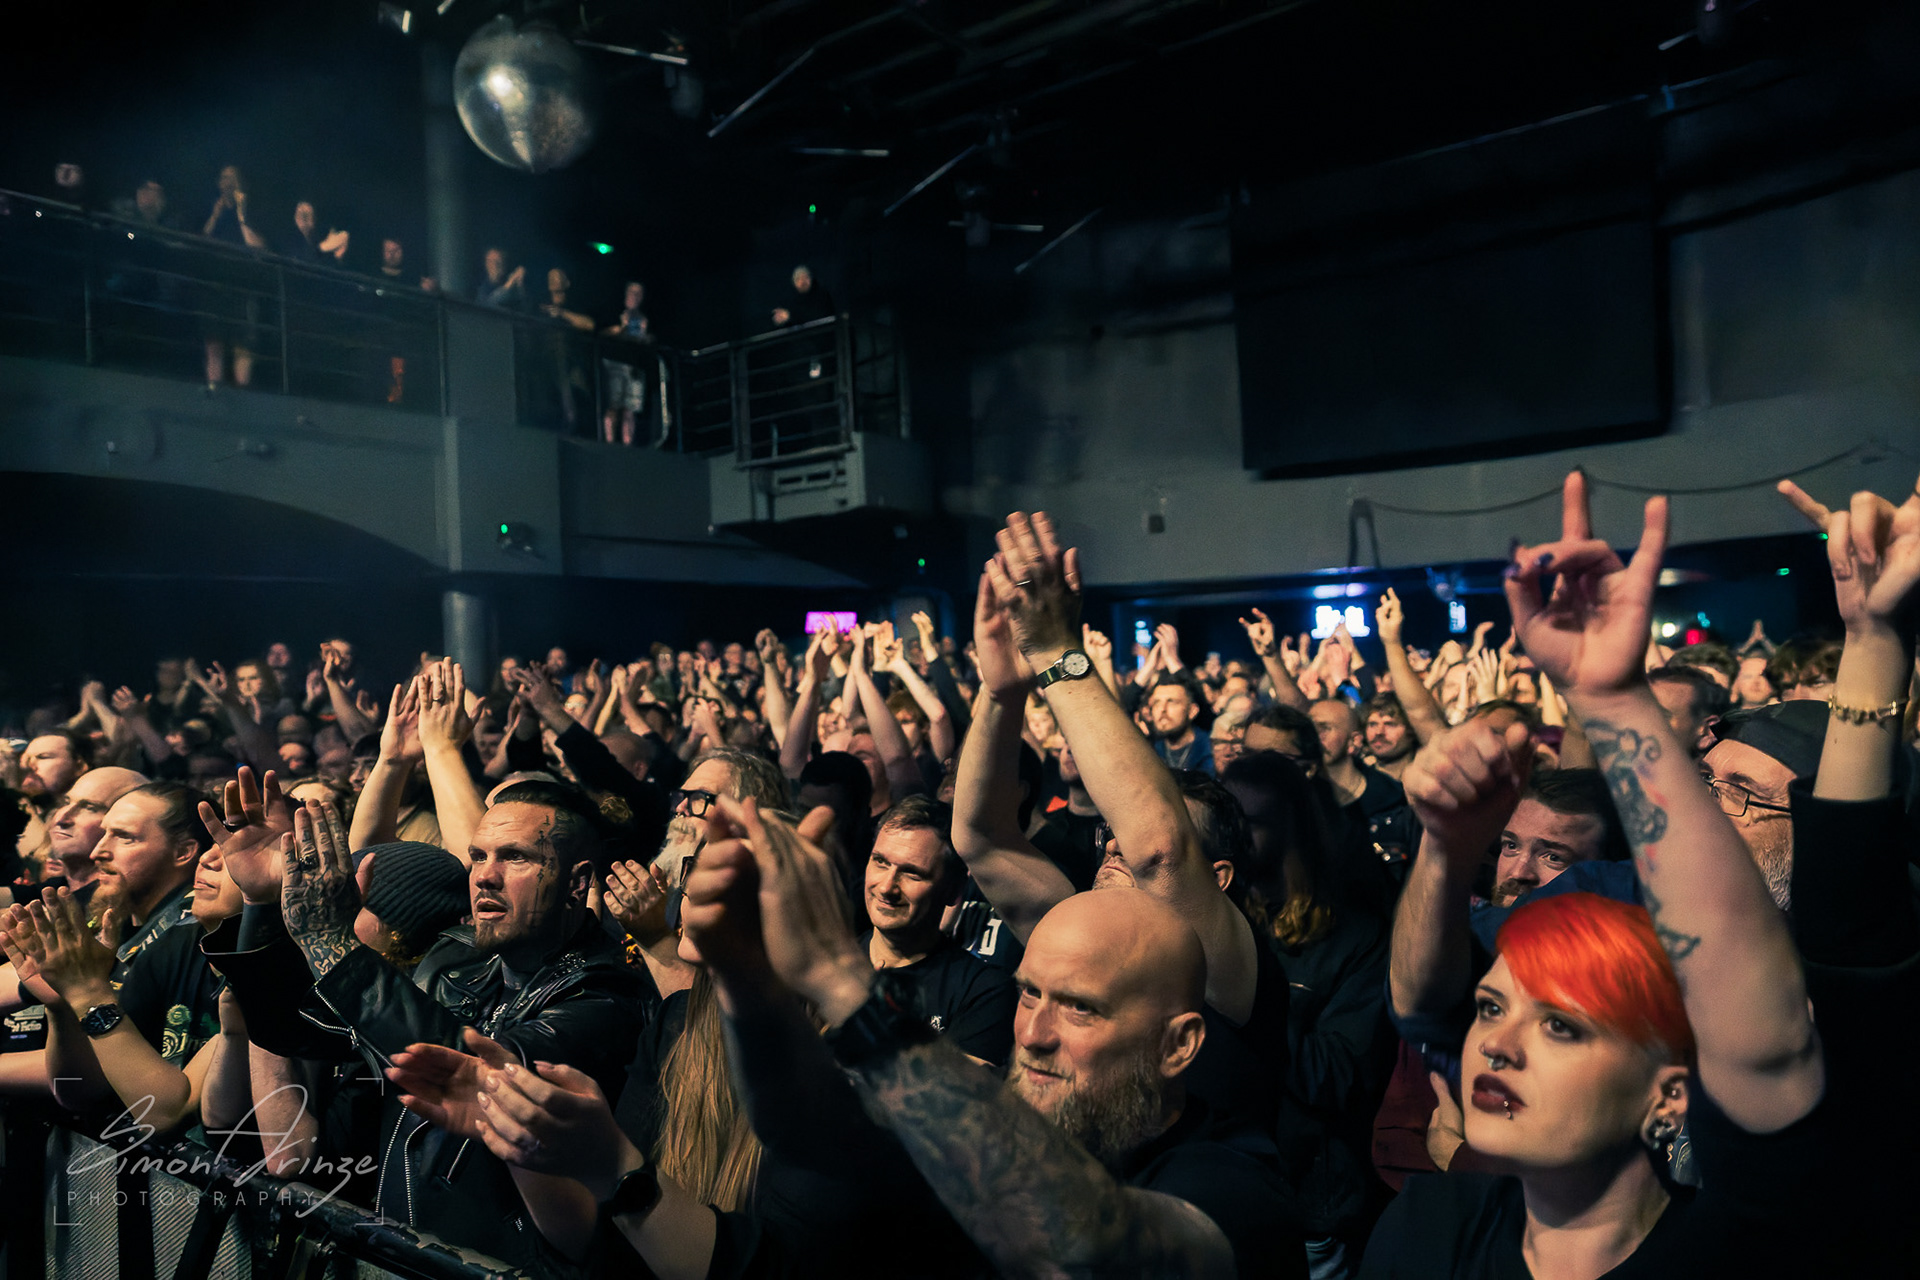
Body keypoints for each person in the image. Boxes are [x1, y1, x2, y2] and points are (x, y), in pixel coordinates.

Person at [1362, 471, 1827, 1277]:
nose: (1496, 1048)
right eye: (1494, 1010)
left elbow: (1769, 1055)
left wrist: (1610, 700)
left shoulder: (1731, 1247)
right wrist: (1446, 849)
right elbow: (1423, 1005)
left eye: (1563, 1025)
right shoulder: (1428, 1229)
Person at [217, 781, 645, 1271]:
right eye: (478, 856)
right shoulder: (453, 965)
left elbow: (473, 1077)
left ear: (576, 880)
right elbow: (296, 1031)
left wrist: (331, 940)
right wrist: (261, 905)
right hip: (399, 1258)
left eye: (515, 857)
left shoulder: (606, 995)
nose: (485, 876)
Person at [860, 796, 1017, 1066]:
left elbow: (954, 1102)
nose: (886, 887)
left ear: (953, 890)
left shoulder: (982, 991)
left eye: (912, 873)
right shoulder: (827, 965)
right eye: (881, 862)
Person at [200, 165, 267, 388]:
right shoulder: (213, 210)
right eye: (224, 178)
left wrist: (241, 214)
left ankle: (242, 391)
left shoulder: (251, 212)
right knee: (214, 343)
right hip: (215, 284)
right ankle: (213, 388)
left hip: (243, 286)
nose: (227, 182)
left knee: (243, 345)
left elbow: (256, 246)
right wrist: (216, 214)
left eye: (232, 178)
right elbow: (203, 240)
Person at [1148, 677, 1213, 775]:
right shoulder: (1150, 750)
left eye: (1172, 702)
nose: (1162, 709)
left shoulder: (1210, 751)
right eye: (1156, 702)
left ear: (1192, 711)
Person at [770, 264, 834, 328]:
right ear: (794, 283)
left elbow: (818, 317)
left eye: (806, 277)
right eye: (799, 278)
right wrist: (781, 320)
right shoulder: (792, 303)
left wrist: (790, 316)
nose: (803, 281)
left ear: (811, 279)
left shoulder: (822, 295)